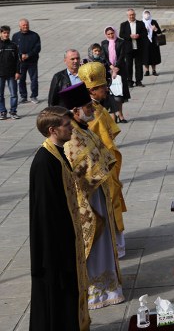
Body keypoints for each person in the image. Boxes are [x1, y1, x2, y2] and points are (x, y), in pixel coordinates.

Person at [59, 82, 125, 309]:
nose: (92, 110)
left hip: (100, 195)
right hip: (89, 200)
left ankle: (109, 286)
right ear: (75, 111)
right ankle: (97, 292)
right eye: (88, 107)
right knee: (95, 246)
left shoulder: (83, 129)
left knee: (106, 242)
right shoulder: (72, 137)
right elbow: (80, 170)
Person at [29, 106, 90, 331]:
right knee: (57, 292)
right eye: (66, 125)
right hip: (55, 244)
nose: (71, 128)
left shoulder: (58, 152)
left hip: (66, 235)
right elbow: (45, 212)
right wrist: (57, 248)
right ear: (53, 130)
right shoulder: (45, 162)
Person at [78, 62, 128, 259]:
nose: (106, 89)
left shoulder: (95, 108)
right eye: (102, 87)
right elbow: (107, 143)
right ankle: (113, 245)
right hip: (100, 171)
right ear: (92, 90)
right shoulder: (94, 113)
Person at [102, 27, 131, 123]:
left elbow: (122, 55)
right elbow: (104, 57)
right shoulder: (104, 43)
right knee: (110, 94)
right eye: (108, 34)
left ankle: (120, 115)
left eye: (112, 33)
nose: (111, 35)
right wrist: (111, 67)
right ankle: (113, 116)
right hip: (108, 70)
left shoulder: (121, 42)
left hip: (120, 69)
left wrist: (116, 67)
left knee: (119, 94)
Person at [12, 18, 41, 104]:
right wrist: (20, 55)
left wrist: (28, 55)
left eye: (27, 25)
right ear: (20, 26)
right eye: (24, 25)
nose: (26, 26)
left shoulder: (35, 35)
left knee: (34, 79)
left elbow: (37, 48)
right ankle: (23, 96)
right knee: (21, 80)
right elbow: (14, 48)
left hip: (32, 61)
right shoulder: (15, 36)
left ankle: (34, 96)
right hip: (21, 62)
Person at [118, 8, 148, 88]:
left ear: (135, 15)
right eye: (130, 15)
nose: (132, 16)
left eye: (133, 14)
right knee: (128, 65)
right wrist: (129, 36)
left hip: (138, 48)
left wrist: (139, 35)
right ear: (127, 16)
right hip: (128, 49)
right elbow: (121, 34)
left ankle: (138, 81)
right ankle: (129, 81)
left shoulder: (140, 23)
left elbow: (145, 33)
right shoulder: (123, 24)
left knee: (138, 65)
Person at [0, 25, 20, 120]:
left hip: (12, 74)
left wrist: (17, 72)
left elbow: (17, 60)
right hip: (0, 74)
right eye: (4, 33)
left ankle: (13, 111)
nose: (6, 34)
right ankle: (2, 112)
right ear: (0, 33)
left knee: (14, 94)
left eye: (8, 33)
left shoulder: (13, 45)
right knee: (0, 94)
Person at [141, 9, 162, 77]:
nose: (146, 15)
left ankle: (154, 70)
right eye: (145, 14)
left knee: (154, 56)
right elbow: (139, 33)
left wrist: (155, 29)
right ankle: (147, 70)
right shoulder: (141, 22)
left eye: (148, 13)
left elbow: (159, 32)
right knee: (145, 56)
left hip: (153, 42)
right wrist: (145, 30)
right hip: (144, 42)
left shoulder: (153, 21)